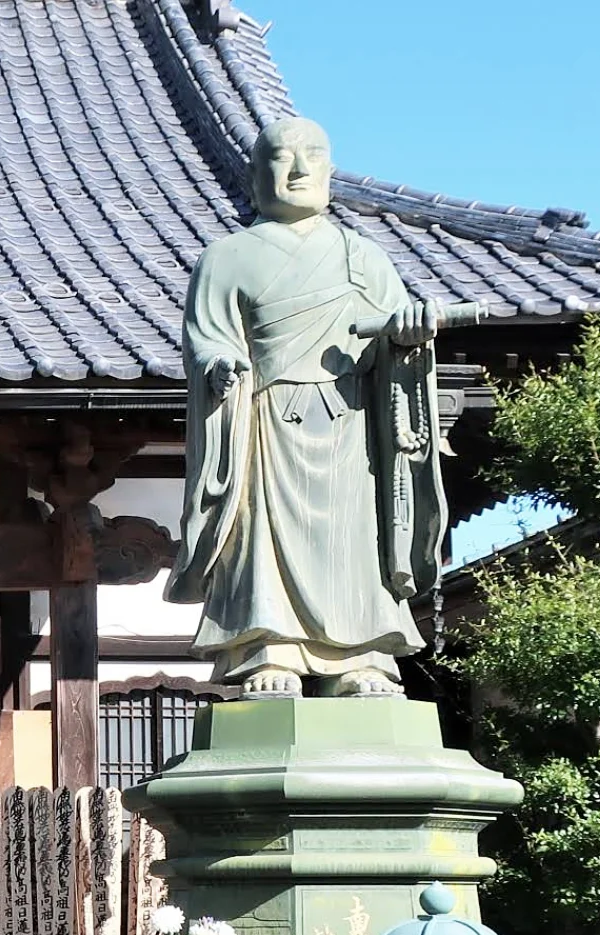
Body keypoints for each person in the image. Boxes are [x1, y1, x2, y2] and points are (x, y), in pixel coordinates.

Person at [166, 116, 453, 699]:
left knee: (353, 542)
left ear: (329, 169)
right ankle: (268, 648)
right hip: (266, 419)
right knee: (263, 535)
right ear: (254, 176)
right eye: (280, 156)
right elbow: (208, 338)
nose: (297, 168)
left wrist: (407, 339)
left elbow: (391, 351)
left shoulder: (364, 257)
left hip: (350, 424)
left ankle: (363, 655)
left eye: (311, 155)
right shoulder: (226, 257)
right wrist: (221, 367)